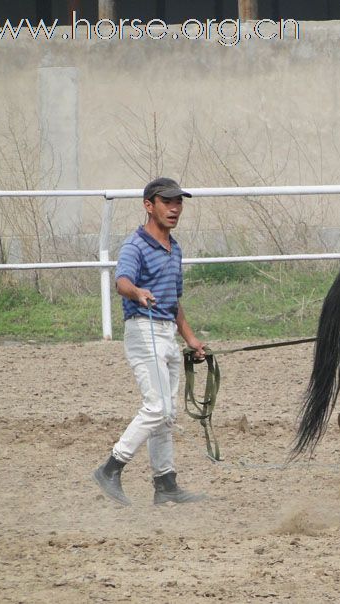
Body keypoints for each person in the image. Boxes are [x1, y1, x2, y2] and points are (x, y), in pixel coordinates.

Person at [92, 177, 207, 505]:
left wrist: (191, 338)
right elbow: (122, 281)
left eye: (178, 202)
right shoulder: (135, 245)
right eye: (167, 202)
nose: (174, 208)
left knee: (166, 414)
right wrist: (137, 292)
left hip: (167, 334)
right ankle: (110, 468)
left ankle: (166, 484)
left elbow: (175, 299)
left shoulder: (175, 248)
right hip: (144, 331)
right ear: (149, 205)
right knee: (157, 407)